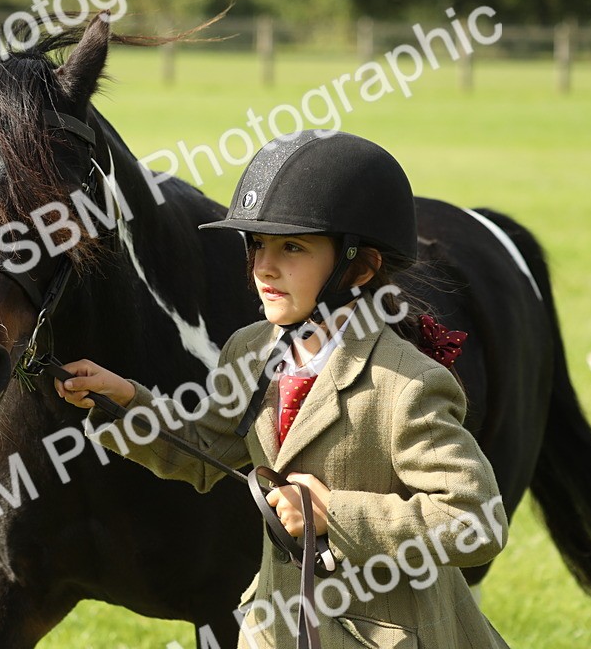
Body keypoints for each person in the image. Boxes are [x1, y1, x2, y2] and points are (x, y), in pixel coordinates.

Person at [57, 130, 510, 648]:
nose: (264, 268)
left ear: (358, 267)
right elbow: (205, 450)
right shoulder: (250, 351)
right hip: (277, 627)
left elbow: (476, 521)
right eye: (257, 246)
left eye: (292, 247)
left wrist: (334, 514)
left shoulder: (407, 383)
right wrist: (126, 403)